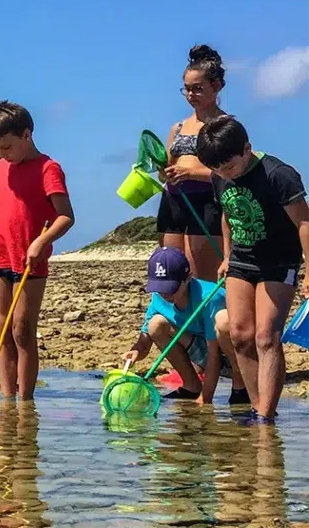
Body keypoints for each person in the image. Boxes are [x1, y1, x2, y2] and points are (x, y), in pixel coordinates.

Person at [196, 115, 309, 423]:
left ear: (247, 149)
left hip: (278, 262)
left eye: (228, 166)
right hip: (241, 261)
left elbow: (304, 223)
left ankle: (267, 415)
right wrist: (227, 255)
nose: (223, 173)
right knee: (240, 335)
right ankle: (258, 408)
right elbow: (228, 213)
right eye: (216, 168)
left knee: (265, 337)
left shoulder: (277, 175)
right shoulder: (220, 176)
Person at [0, 101, 75, 400]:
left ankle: (25, 401)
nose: (4, 155)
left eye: (8, 147)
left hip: (29, 260)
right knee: (3, 330)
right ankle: (8, 399)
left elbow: (65, 216)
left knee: (22, 330)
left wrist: (41, 241)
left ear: (27, 135)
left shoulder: (48, 169)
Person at [123, 246, 248, 404]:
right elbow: (144, 342)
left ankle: (240, 387)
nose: (164, 295)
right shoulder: (159, 297)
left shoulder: (209, 297)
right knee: (156, 324)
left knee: (224, 321)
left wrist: (206, 399)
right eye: (160, 288)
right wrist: (136, 352)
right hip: (203, 351)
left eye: (170, 289)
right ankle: (191, 386)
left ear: (187, 278)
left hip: (231, 353)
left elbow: (214, 354)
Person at [157, 45, 228, 281]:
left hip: (207, 202)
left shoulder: (225, 126)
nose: (190, 95)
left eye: (197, 89)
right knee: (171, 274)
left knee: (201, 279)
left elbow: (233, 172)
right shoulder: (177, 127)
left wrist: (190, 173)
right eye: (186, 90)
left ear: (215, 86)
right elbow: (166, 169)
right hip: (174, 202)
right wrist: (164, 172)